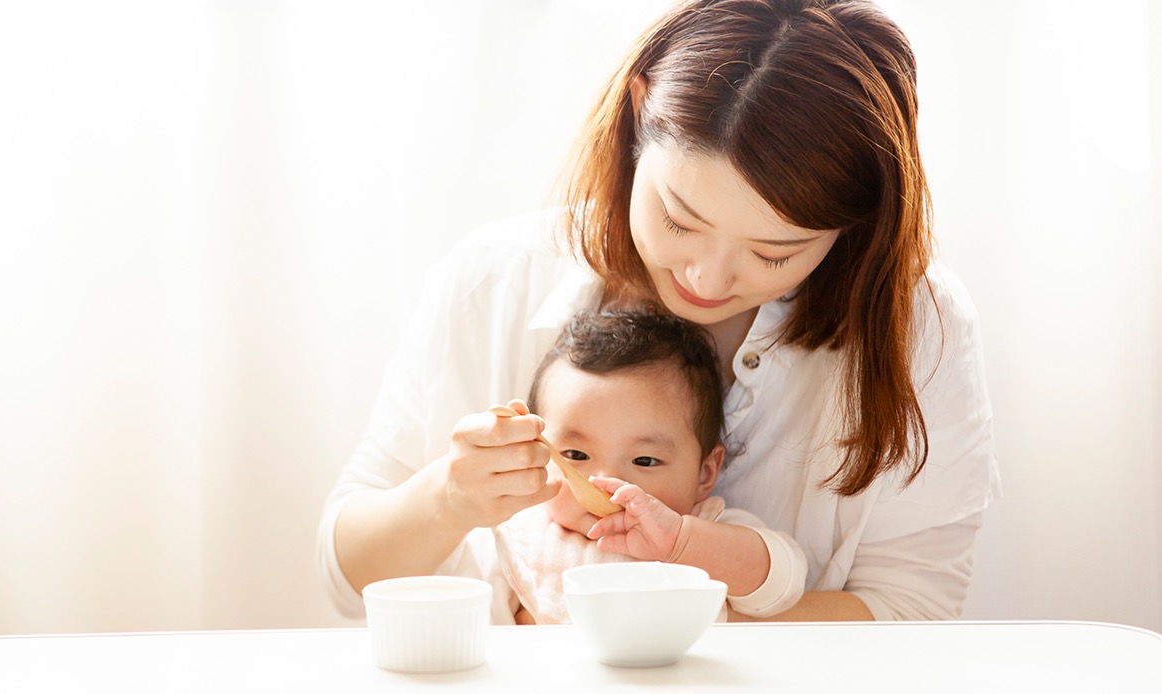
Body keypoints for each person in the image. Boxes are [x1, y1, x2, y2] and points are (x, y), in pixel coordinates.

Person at [317, 0, 999, 623]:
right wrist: (449, 498)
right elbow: (349, 579)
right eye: (680, 218)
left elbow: (912, 614)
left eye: (772, 253)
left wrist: (662, 621)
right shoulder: (495, 280)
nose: (707, 277)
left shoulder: (918, 325)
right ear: (638, 111)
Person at [493, 308, 806, 625]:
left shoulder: (704, 532)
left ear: (705, 473)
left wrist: (681, 543)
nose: (605, 482)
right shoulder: (521, 537)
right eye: (575, 455)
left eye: (644, 461)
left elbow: (785, 582)